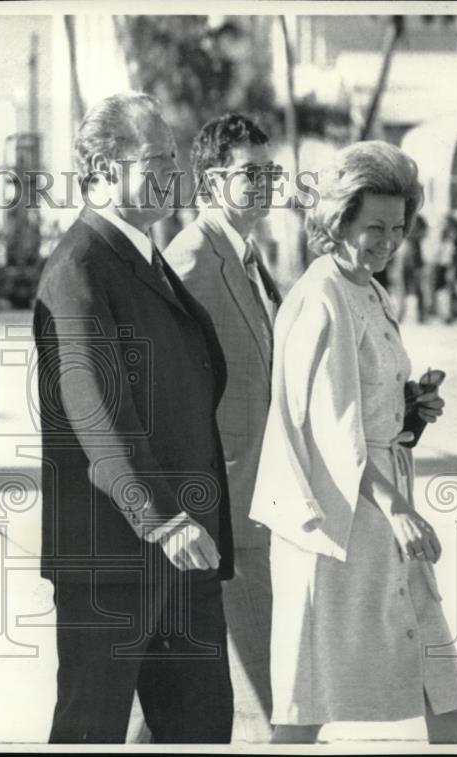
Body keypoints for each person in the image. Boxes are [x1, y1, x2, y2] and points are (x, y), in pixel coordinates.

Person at [250, 141, 457, 744]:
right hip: (332, 530)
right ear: (338, 220)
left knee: (441, 683)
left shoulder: (370, 290)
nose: (387, 242)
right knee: (306, 705)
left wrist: (411, 408)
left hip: (382, 519)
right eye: (373, 227)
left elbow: (368, 411)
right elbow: (329, 430)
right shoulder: (321, 297)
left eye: (398, 228)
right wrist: (398, 507)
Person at [33, 92, 235, 744]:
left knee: (200, 729)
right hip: (118, 556)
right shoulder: (79, 267)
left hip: (184, 552)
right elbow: (94, 407)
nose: (175, 175)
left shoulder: (148, 258)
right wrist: (160, 513)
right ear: (99, 170)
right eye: (157, 159)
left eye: (175, 158)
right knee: (90, 731)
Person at [162, 113, 280, 742]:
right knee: (280, 697)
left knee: (176, 699)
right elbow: (163, 399)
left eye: (272, 173)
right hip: (219, 514)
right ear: (209, 182)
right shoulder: (189, 263)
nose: (264, 186)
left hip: (255, 509)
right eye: (250, 174)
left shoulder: (247, 255)